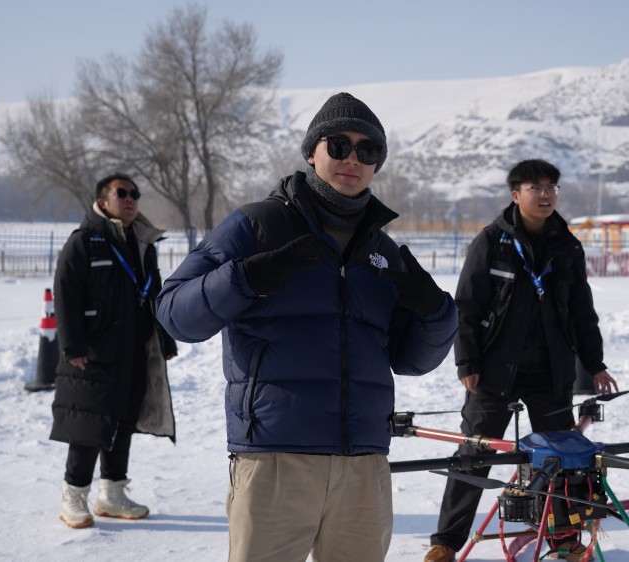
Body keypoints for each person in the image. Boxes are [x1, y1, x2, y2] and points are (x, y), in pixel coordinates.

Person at [155, 92, 458, 562]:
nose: (352, 159)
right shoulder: (256, 225)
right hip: (276, 458)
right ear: (311, 151)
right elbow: (174, 312)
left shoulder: (382, 249)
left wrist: (437, 314)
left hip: (363, 464)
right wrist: (244, 278)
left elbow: (411, 360)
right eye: (338, 145)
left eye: (367, 150)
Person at [425, 159, 619, 562]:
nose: (545, 195)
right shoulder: (492, 241)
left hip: (551, 373)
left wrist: (595, 364)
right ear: (516, 195)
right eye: (536, 187)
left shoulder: (568, 246)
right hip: (494, 372)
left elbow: (582, 312)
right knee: (475, 454)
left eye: (551, 188)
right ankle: (445, 542)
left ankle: (563, 537)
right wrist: (467, 362)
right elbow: (467, 307)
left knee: (561, 460)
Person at [50, 173, 178, 529]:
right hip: (93, 353)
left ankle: (112, 494)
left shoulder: (142, 242)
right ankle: (73, 496)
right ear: (103, 201)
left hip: (134, 351)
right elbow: (65, 294)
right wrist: (72, 344)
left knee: (123, 424)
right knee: (89, 426)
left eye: (135, 193)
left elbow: (155, 295)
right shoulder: (85, 242)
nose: (131, 199)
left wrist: (165, 340)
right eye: (122, 193)